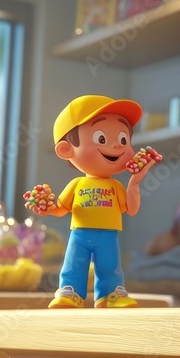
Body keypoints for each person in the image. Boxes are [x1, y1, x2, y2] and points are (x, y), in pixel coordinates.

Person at [30, 95, 156, 309]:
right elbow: (61, 209)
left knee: (110, 266)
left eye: (124, 139)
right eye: (102, 138)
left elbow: (131, 209)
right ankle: (70, 293)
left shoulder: (116, 186)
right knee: (73, 265)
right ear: (66, 150)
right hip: (79, 234)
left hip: (108, 235)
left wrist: (134, 183)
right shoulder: (77, 184)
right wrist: (47, 206)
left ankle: (110, 294)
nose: (116, 145)